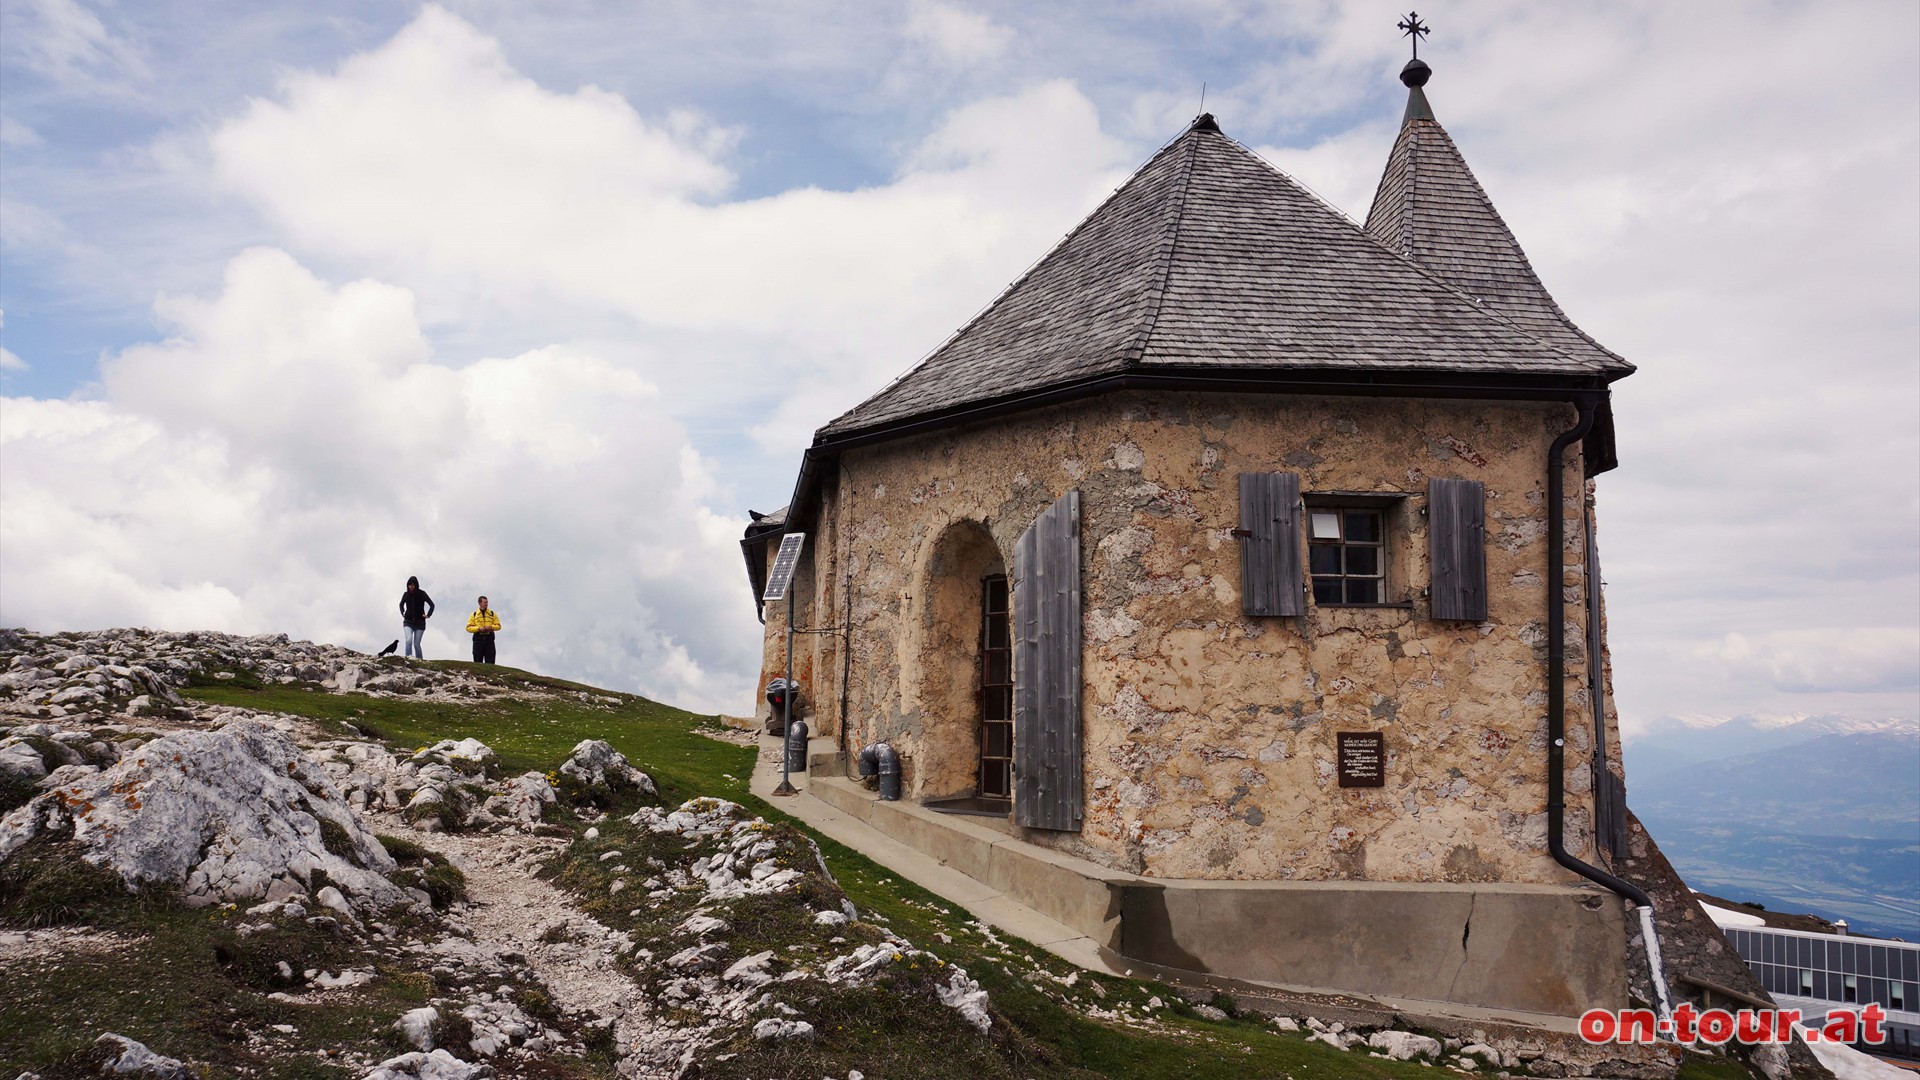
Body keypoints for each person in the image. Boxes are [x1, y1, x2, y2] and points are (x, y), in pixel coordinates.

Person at [399, 576, 434, 659]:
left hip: (420, 623)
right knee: (408, 640)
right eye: (409, 585)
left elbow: (432, 605)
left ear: (416, 585)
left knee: (416, 644)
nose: (411, 586)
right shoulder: (406, 594)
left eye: (413, 585)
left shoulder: (422, 594)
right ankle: (408, 658)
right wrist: (403, 612)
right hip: (408, 622)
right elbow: (401, 604)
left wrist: (428, 615)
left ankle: (420, 660)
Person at [466, 596, 501, 664]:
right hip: (478, 639)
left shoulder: (492, 614)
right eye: (485, 602)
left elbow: (499, 626)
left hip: (489, 639)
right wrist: (478, 629)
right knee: (477, 661)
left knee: (490, 661)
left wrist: (491, 627)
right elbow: (468, 628)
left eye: (487, 602)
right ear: (480, 603)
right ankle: (478, 674)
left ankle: (490, 674)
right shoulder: (474, 615)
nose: (486, 604)